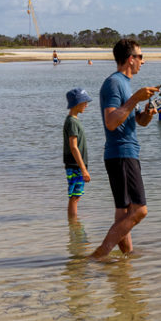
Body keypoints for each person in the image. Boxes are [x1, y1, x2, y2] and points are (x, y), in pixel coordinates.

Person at [91, 39, 158, 260]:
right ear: (131, 59)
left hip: (122, 154)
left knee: (123, 213)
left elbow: (138, 121)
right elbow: (111, 121)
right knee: (140, 210)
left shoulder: (125, 84)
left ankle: (126, 263)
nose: (143, 61)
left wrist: (146, 113)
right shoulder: (114, 83)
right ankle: (99, 254)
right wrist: (135, 98)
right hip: (122, 153)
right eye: (140, 57)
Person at [64, 87, 93, 223]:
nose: (86, 105)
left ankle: (73, 223)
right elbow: (73, 147)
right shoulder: (72, 121)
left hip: (76, 164)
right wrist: (83, 169)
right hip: (75, 164)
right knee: (75, 196)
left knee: (76, 195)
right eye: (84, 102)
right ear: (76, 103)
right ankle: (73, 223)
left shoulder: (74, 120)